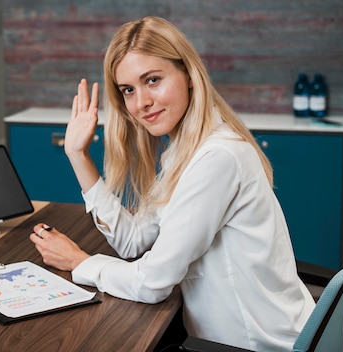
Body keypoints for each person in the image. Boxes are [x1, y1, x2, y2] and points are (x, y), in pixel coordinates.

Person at [29, 16, 315, 351]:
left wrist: (80, 261)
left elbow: (152, 284)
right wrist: (78, 154)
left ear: (189, 74)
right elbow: (132, 241)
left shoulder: (216, 158)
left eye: (152, 80)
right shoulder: (185, 150)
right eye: (128, 90)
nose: (140, 103)